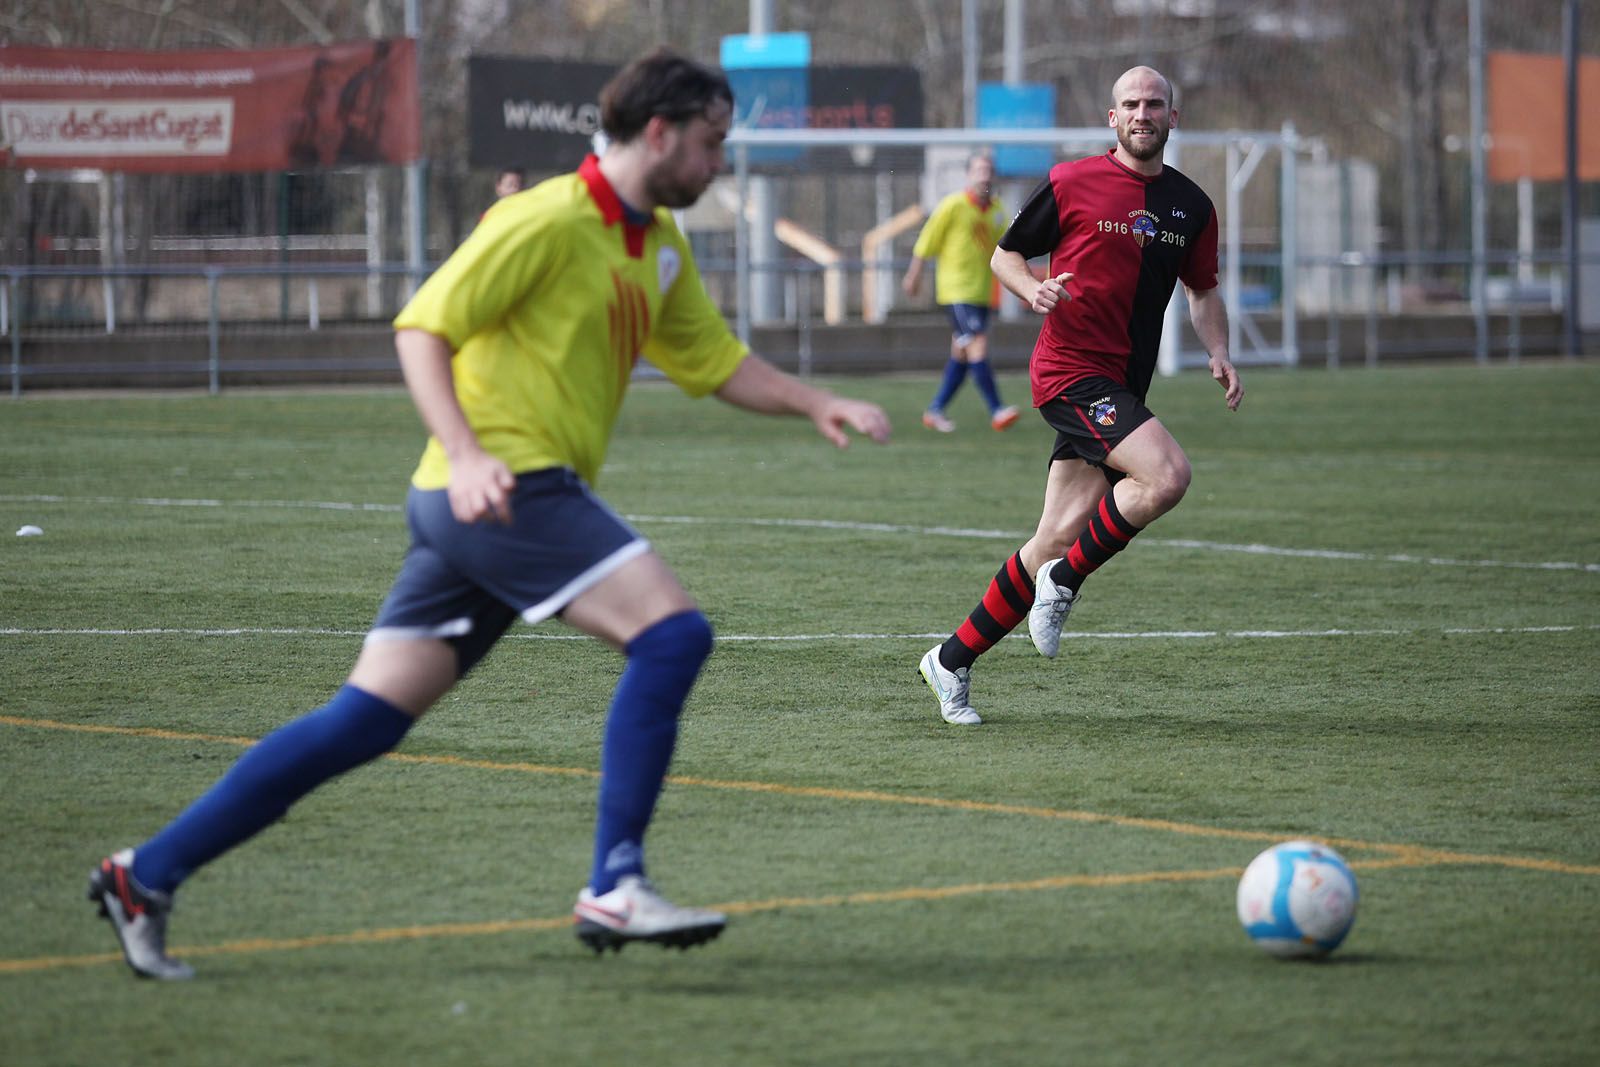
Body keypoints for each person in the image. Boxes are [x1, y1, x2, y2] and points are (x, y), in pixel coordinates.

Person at [88, 46, 891, 979]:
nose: (719, 167)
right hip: (506, 489)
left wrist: (812, 401)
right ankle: (616, 883)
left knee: (364, 721)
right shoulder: (544, 218)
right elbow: (424, 326)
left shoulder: (658, 246)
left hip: (487, 507)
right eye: (712, 145)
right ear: (660, 132)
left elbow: (709, 360)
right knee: (672, 636)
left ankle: (146, 872)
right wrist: (468, 455)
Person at [917, 66, 1242, 726]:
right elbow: (1005, 255)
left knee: (1052, 537)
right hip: (1069, 373)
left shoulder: (1191, 206)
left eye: (1154, 104)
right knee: (1168, 475)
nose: (1143, 113)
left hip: (1122, 386)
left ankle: (950, 660)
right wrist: (1029, 288)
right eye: (1130, 104)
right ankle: (1065, 582)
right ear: (1112, 117)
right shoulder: (1071, 182)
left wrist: (1219, 350)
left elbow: (1202, 291)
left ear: (1172, 118)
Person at [901, 152, 1019, 433]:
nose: (984, 175)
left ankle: (935, 410)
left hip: (981, 292)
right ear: (969, 175)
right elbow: (927, 241)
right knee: (977, 344)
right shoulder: (953, 206)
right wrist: (913, 275)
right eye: (979, 170)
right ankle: (997, 409)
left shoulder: (998, 210)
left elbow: (1009, 246)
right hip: (956, 291)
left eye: (988, 170)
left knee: (963, 354)